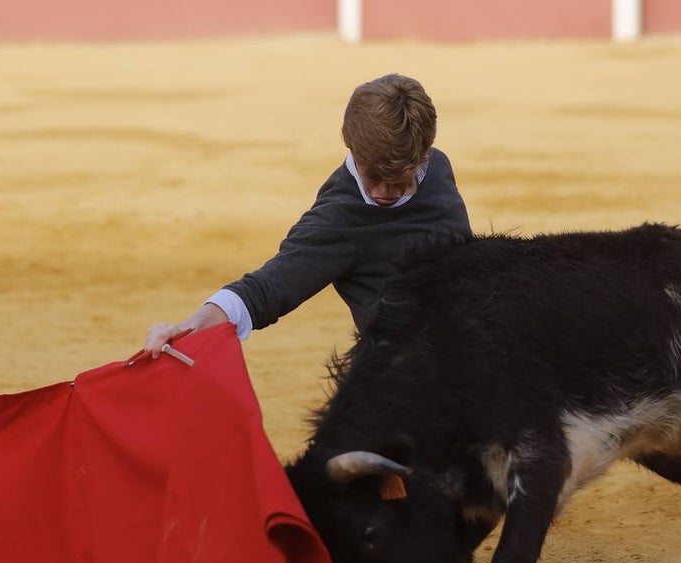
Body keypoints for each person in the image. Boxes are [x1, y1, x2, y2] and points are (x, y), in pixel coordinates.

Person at [143, 73, 471, 358]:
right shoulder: (340, 218)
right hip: (409, 389)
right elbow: (265, 290)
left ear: (425, 153)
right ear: (351, 147)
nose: (384, 191)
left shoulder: (438, 169)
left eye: (399, 181)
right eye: (372, 176)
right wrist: (189, 327)